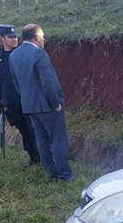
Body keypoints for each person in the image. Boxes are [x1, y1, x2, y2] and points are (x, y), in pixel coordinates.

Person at [8, 23, 76, 182]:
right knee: (58, 139)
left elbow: (16, 82)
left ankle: (50, 171)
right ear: (37, 38)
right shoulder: (40, 54)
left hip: (29, 106)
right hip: (47, 105)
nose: (44, 40)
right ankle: (64, 175)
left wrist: (27, 99)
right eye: (43, 37)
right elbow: (48, 82)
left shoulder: (14, 56)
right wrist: (55, 103)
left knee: (41, 139)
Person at [0, 24, 40, 168]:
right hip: (11, 101)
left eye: (16, 37)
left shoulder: (23, 53)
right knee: (24, 131)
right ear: (2, 38)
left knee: (34, 129)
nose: (15, 40)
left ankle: (44, 157)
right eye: (10, 37)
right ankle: (33, 157)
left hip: (28, 98)